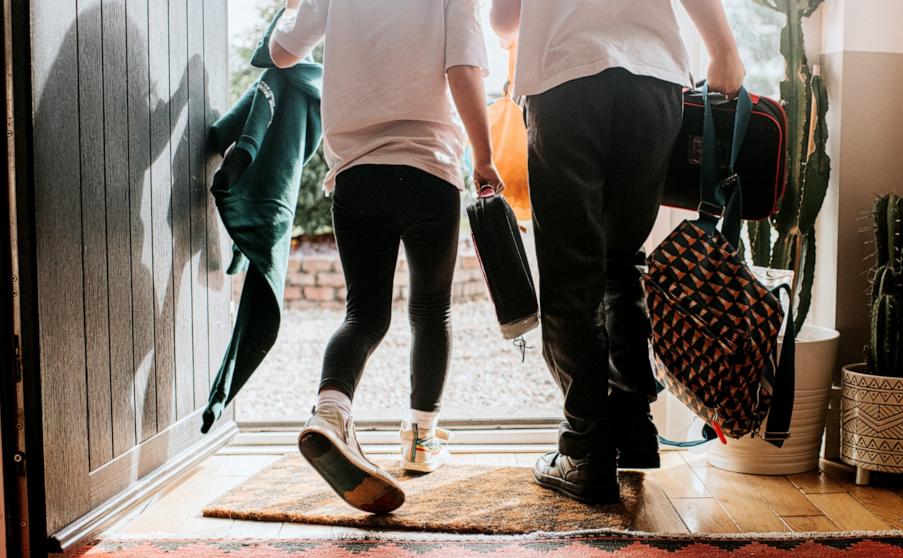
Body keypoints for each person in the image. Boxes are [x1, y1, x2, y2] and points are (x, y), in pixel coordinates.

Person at [490, 0, 745, 504]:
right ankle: (633, 425)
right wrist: (723, 50)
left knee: (571, 273)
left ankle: (585, 449)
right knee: (622, 258)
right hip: (652, 81)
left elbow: (503, 20)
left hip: (566, 78)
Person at [271, 0, 501, 514]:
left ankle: (330, 413)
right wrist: (483, 158)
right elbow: (462, 68)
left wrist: (293, 10)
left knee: (364, 315)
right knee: (431, 311)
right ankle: (421, 440)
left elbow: (282, 53)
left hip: (358, 173)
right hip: (429, 170)